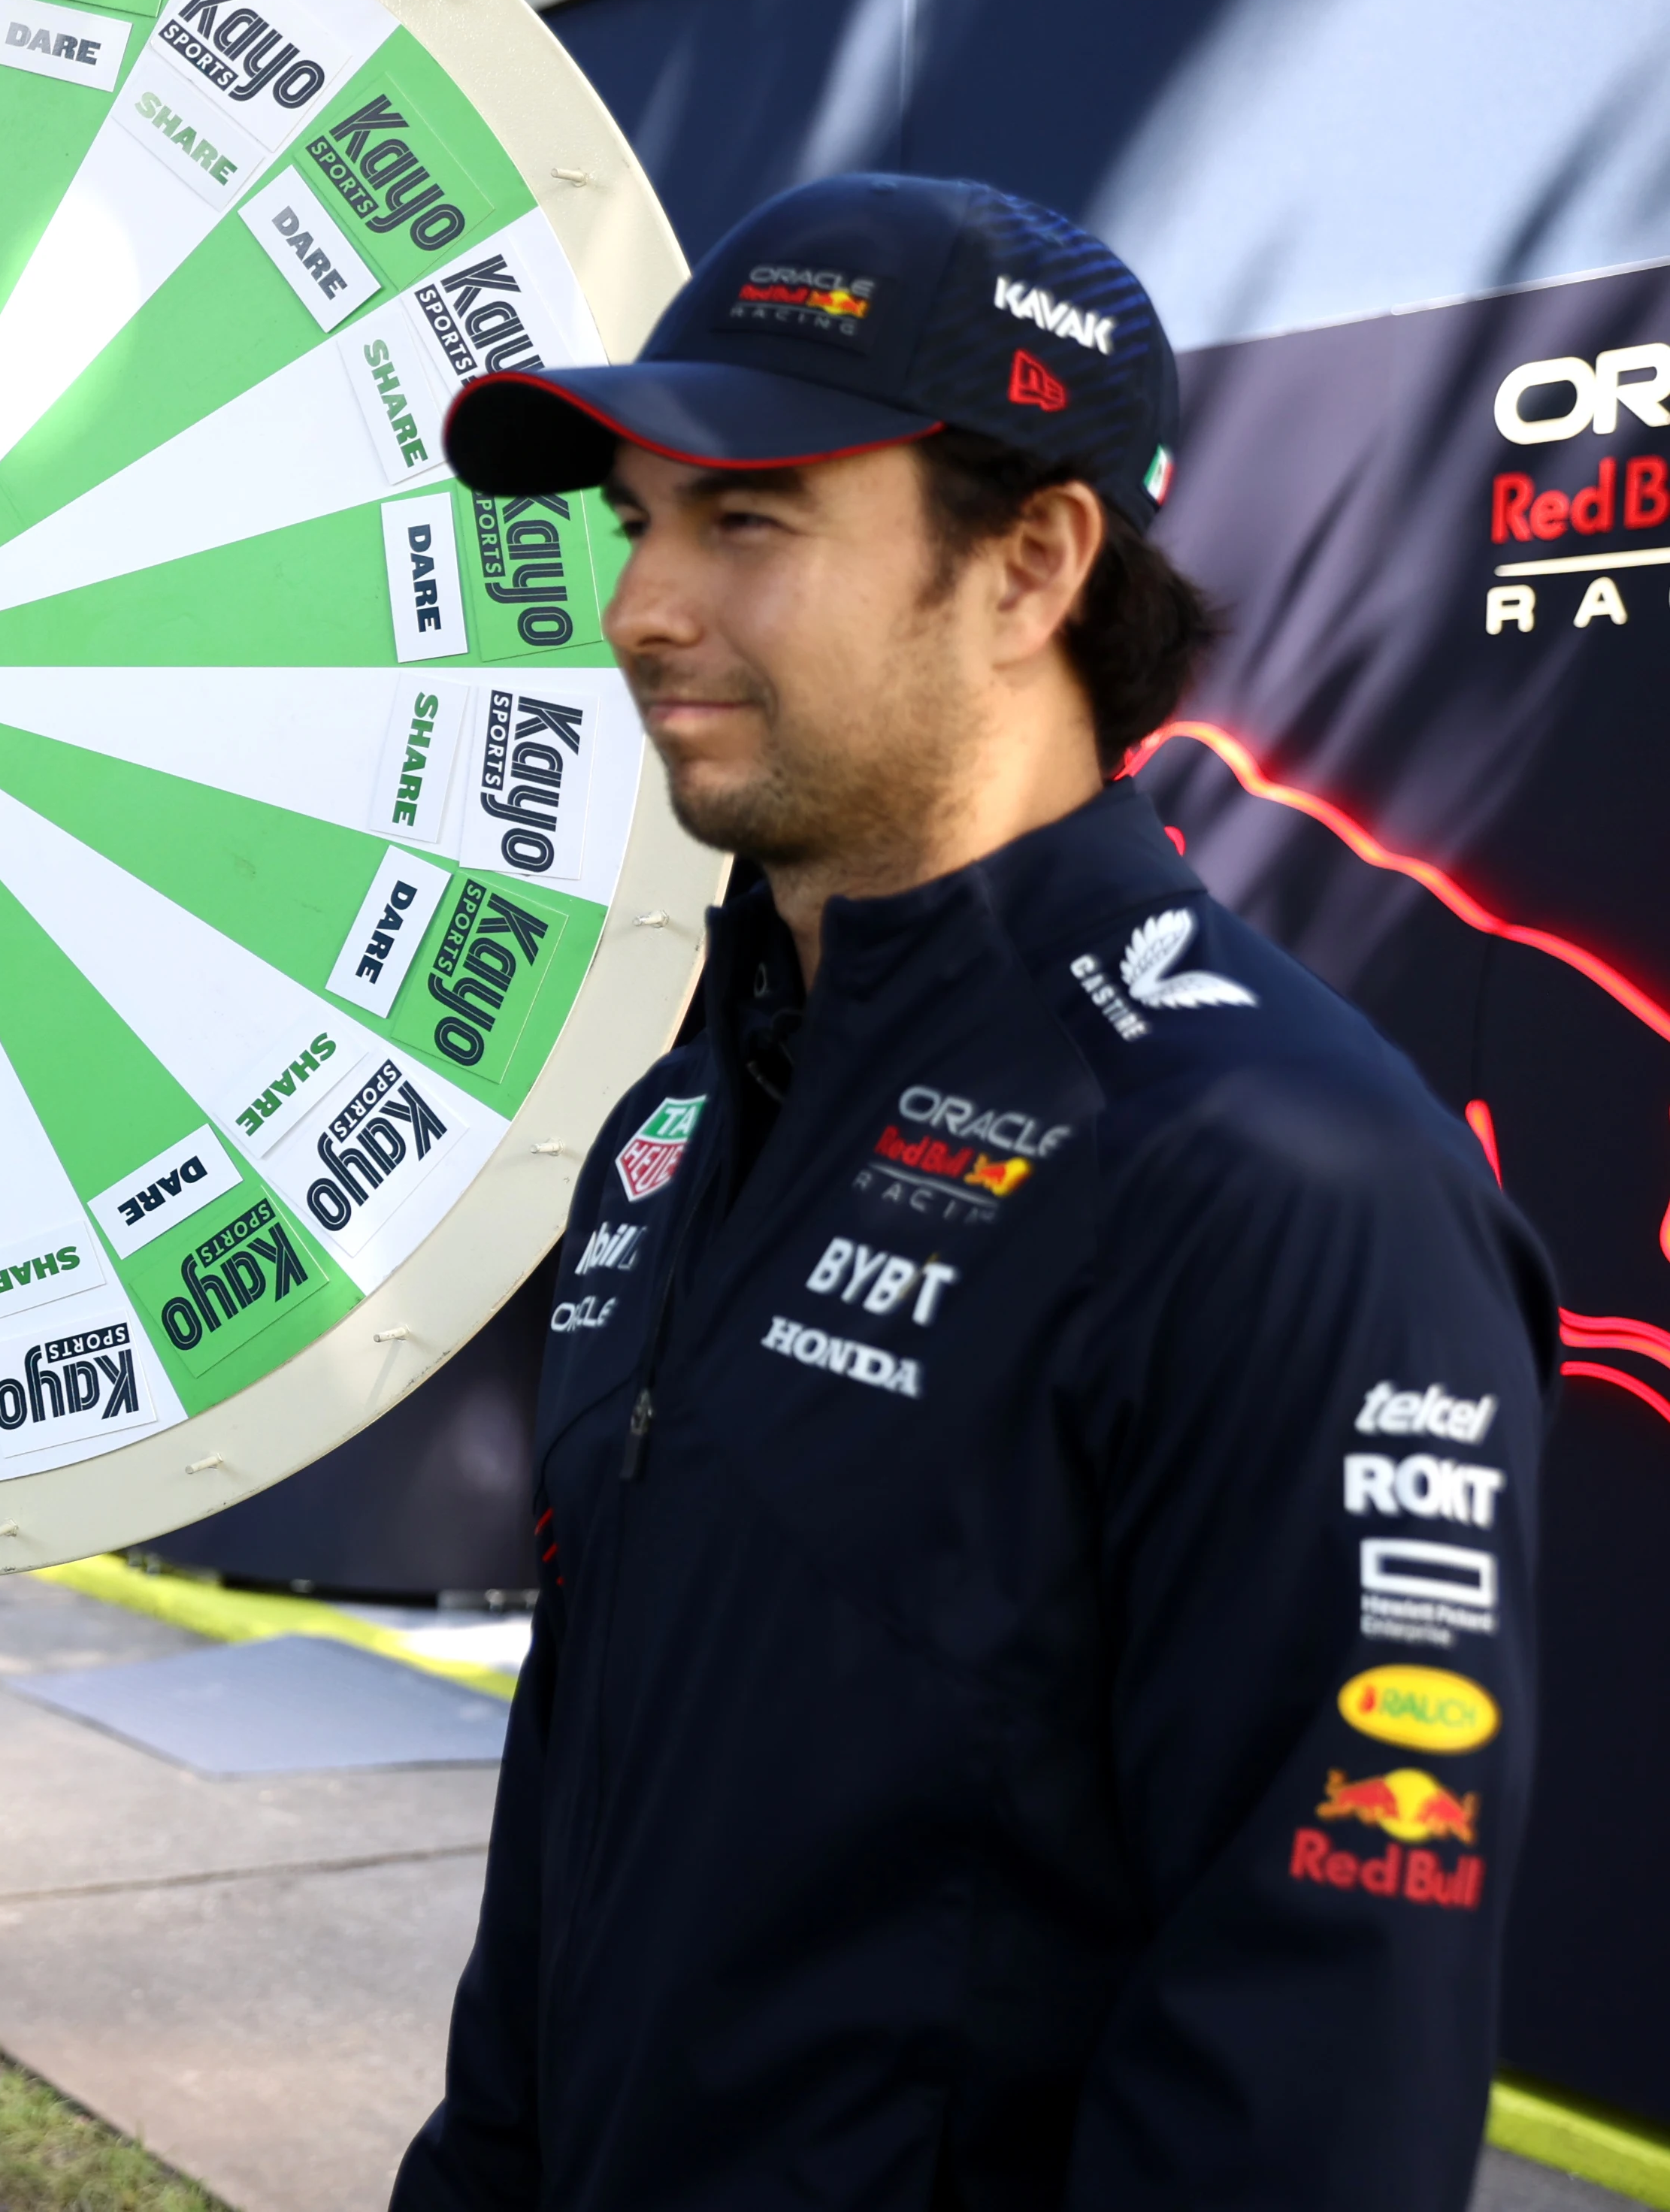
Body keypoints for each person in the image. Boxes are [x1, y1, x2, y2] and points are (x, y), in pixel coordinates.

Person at [394, 175, 1552, 2210]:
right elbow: (575, 1847)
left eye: (744, 521)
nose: (644, 603)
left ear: (1029, 565)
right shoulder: (682, 1126)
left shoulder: (1277, 1173)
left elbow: (1311, 2073)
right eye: (636, 518)